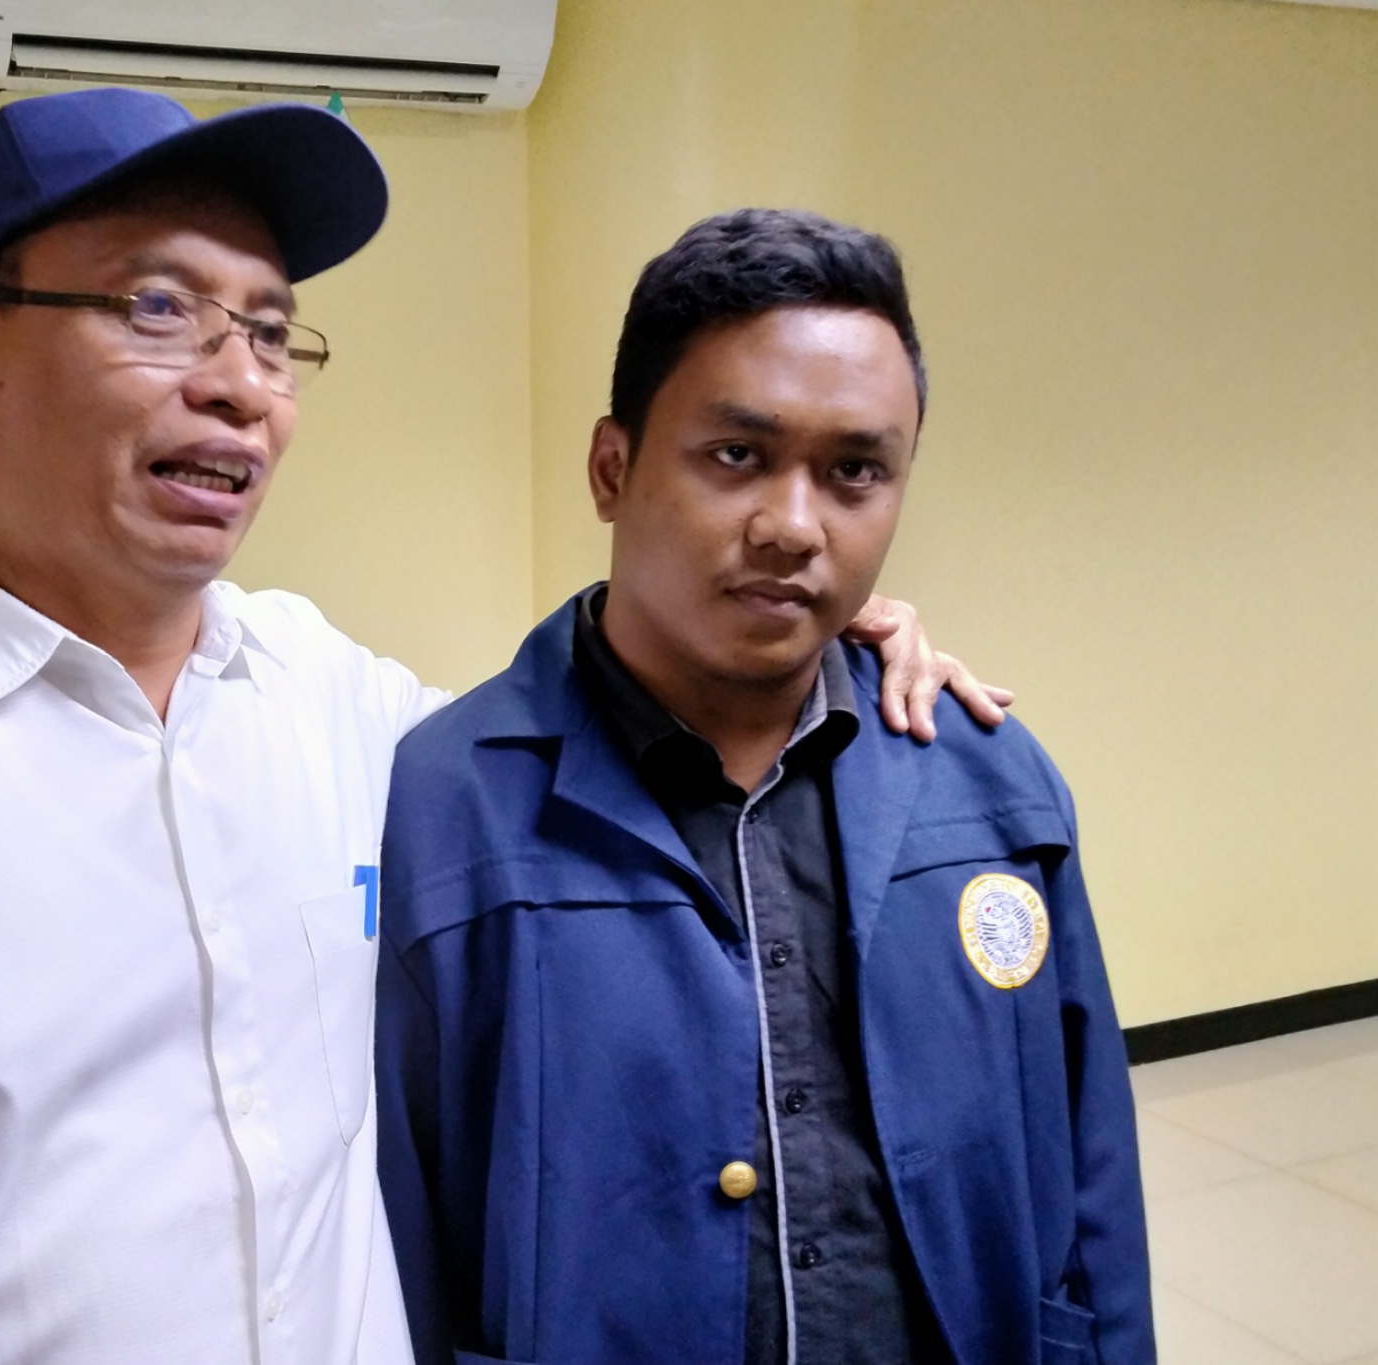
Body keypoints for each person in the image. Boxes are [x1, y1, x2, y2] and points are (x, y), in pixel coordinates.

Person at [0, 91, 1007, 1365]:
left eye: (273, 328)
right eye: (155, 307)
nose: (239, 383)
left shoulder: (341, 707)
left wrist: (803, 643)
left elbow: (610, 728)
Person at [374, 208, 1152, 1365]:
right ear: (610, 466)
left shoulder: (986, 778)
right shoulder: (444, 809)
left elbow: (1089, 1179)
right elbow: (399, 1227)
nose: (793, 527)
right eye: (736, 456)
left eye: (854, 472)